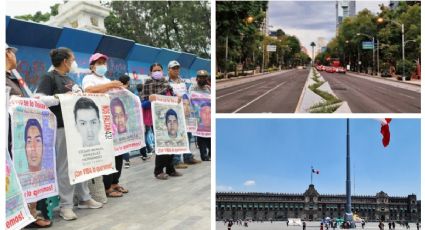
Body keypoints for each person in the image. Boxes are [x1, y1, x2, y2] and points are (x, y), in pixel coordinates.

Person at [36, 47, 102, 221]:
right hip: (61, 128)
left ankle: (84, 198)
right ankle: (66, 205)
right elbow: (39, 98)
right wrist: (60, 98)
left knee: (82, 163)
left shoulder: (71, 79)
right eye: (72, 59)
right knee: (65, 167)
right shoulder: (49, 77)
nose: (74, 63)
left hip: (76, 129)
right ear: (65, 61)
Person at [82, 52, 128, 198]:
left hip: (113, 122)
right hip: (101, 123)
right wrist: (111, 85)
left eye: (104, 62)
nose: (102, 65)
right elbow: (88, 91)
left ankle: (115, 182)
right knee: (107, 153)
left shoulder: (107, 79)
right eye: (99, 63)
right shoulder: (89, 78)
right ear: (92, 66)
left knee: (118, 152)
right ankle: (107, 186)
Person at [141, 63, 182, 180]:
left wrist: (177, 98)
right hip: (157, 121)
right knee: (162, 145)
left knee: (172, 143)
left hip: (170, 119)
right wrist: (150, 100)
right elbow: (143, 104)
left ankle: (170, 169)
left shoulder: (167, 83)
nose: (157, 72)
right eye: (155, 70)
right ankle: (158, 171)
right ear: (150, 73)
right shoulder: (148, 84)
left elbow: (172, 98)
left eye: (159, 70)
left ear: (163, 71)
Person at [167, 60, 201, 168]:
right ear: (169, 70)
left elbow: (188, 95)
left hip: (186, 112)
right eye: (174, 68)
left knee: (188, 134)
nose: (176, 70)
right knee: (177, 136)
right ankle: (176, 160)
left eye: (177, 68)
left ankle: (188, 157)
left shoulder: (183, 81)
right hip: (174, 113)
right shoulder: (166, 82)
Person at [189, 70, 211, 161]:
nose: (202, 79)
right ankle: (204, 155)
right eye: (200, 77)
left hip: (208, 117)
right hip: (198, 116)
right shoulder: (192, 88)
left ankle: (211, 153)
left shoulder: (209, 89)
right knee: (201, 137)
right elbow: (190, 99)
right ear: (197, 78)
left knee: (210, 136)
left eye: (204, 77)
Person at [118, 74, 131, 168]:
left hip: (117, 120)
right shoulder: (128, 92)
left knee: (120, 140)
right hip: (126, 119)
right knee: (125, 139)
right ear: (128, 82)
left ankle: (125, 159)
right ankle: (127, 159)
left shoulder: (115, 90)